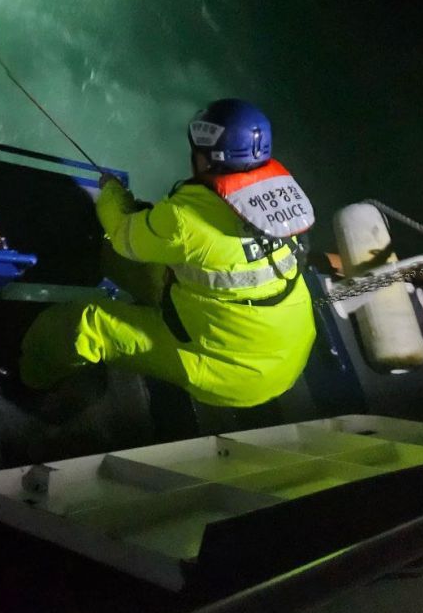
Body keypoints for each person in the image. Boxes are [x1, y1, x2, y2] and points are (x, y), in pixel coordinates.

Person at [19, 99, 317, 408]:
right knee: (147, 268)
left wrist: (111, 192)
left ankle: (29, 380)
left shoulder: (186, 218)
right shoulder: (279, 199)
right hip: (288, 343)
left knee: (82, 326)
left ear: (206, 159)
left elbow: (122, 235)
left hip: (232, 369)